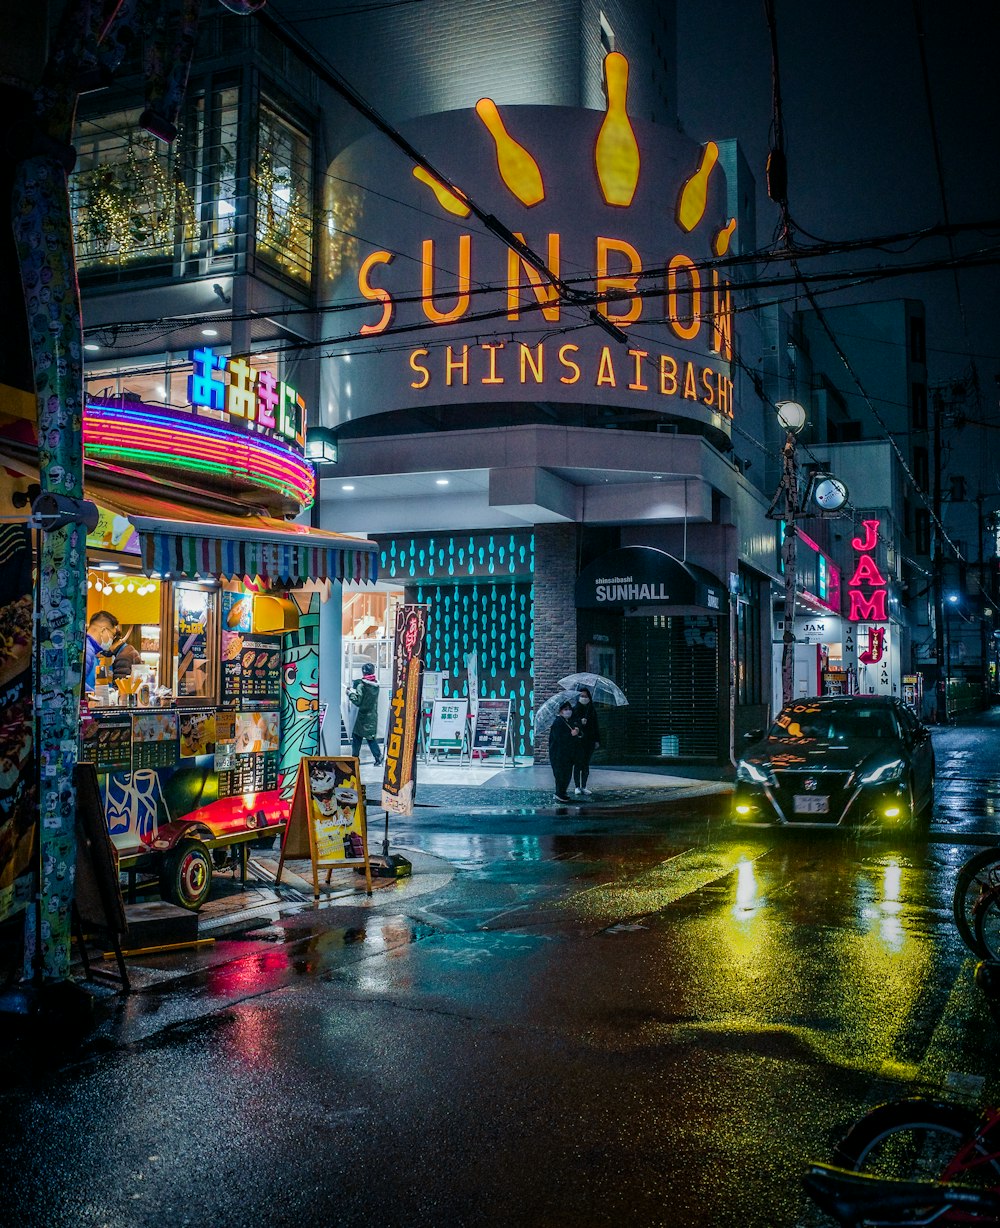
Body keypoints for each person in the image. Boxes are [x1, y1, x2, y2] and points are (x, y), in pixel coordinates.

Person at [348, 660, 382, 765]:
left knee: (357, 737)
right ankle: (378, 757)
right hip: (372, 716)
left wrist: (350, 693)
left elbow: (358, 701)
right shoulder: (376, 685)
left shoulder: (362, 685)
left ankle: (355, 759)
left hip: (362, 716)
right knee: (371, 738)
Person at [571, 686, 601, 796]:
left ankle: (584, 786)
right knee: (578, 764)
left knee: (586, 764)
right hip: (579, 741)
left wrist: (597, 740)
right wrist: (580, 721)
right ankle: (577, 786)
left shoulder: (592, 710)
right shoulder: (575, 709)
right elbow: (572, 723)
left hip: (589, 740)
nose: (584, 698)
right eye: (581, 696)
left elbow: (596, 726)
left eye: (585, 696)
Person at [548, 700, 579, 803]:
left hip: (567, 755)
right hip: (559, 755)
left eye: (569, 709)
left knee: (566, 774)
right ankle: (559, 793)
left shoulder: (568, 722)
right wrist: (571, 734)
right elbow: (559, 738)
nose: (568, 711)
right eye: (565, 709)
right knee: (561, 774)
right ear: (560, 711)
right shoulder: (558, 722)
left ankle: (563, 792)